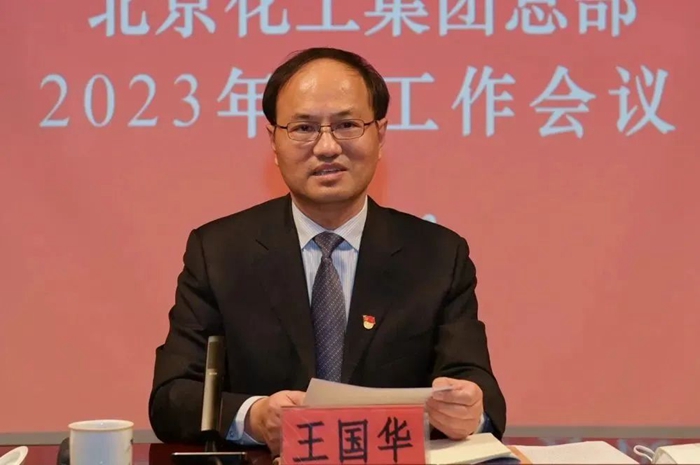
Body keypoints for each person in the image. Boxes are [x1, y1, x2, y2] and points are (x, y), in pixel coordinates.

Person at [148, 47, 506, 455]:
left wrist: (468, 412)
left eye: (347, 125)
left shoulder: (438, 256)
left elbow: (478, 390)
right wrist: (254, 417)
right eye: (303, 128)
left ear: (380, 135)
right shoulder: (220, 253)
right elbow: (172, 397)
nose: (327, 147)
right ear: (273, 140)